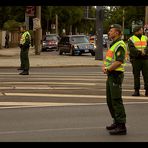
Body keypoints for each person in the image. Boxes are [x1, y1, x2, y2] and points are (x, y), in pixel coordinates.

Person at [102, 24, 127, 135]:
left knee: (116, 100)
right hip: (111, 74)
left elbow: (119, 61)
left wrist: (108, 69)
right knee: (110, 100)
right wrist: (106, 68)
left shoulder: (120, 44)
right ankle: (116, 121)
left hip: (116, 75)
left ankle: (121, 125)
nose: (109, 32)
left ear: (117, 33)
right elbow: (110, 60)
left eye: (111, 31)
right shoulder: (114, 44)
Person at [127, 25, 148, 96]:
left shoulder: (145, 37)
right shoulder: (131, 39)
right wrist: (140, 53)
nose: (142, 31)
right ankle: (136, 90)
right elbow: (131, 48)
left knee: (147, 75)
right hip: (136, 59)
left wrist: (145, 51)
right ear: (137, 31)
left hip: (145, 59)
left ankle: (147, 90)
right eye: (141, 30)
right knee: (136, 76)